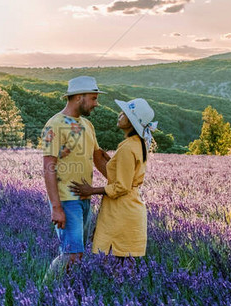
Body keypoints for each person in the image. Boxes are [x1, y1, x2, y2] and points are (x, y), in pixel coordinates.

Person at [70, 98, 157, 259]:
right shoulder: (137, 143)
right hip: (129, 207)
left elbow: (122, 186)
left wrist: (91, 190)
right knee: (123, 266)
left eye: (124, 114)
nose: (120, 115)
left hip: (122, 212)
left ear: (132, 122)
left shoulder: (128, 147)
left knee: (115, 264)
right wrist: (108, 162)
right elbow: (126, 175)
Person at [42, 76, 110, 271]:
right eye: (93, 98)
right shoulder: (54, 125)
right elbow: (49, 166)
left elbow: (98, 157)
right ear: (79, 97)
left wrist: (118, 183)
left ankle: (67, 295)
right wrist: (56, 206)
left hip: (85, 197)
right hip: (66, 199)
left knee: (78, 254)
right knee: (72, 254)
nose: (96, 104)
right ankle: (43, 292)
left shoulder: (88, 125)